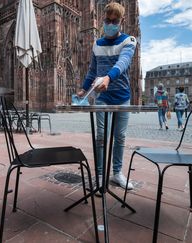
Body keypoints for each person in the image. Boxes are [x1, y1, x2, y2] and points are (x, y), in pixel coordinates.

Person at [77, 2, 137, 190]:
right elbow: (92, 70)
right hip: (102, 97)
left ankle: (117, 173)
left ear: (122, 21)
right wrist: (84, 88)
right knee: (101, 136)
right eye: (107, 20)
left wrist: (109, 78)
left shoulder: (129, 41)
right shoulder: (97, 44)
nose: (110, 24)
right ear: (102, 19)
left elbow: (124, 62)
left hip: (121, 96)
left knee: (119, 136)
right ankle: (100, 175)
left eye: (114, 21)